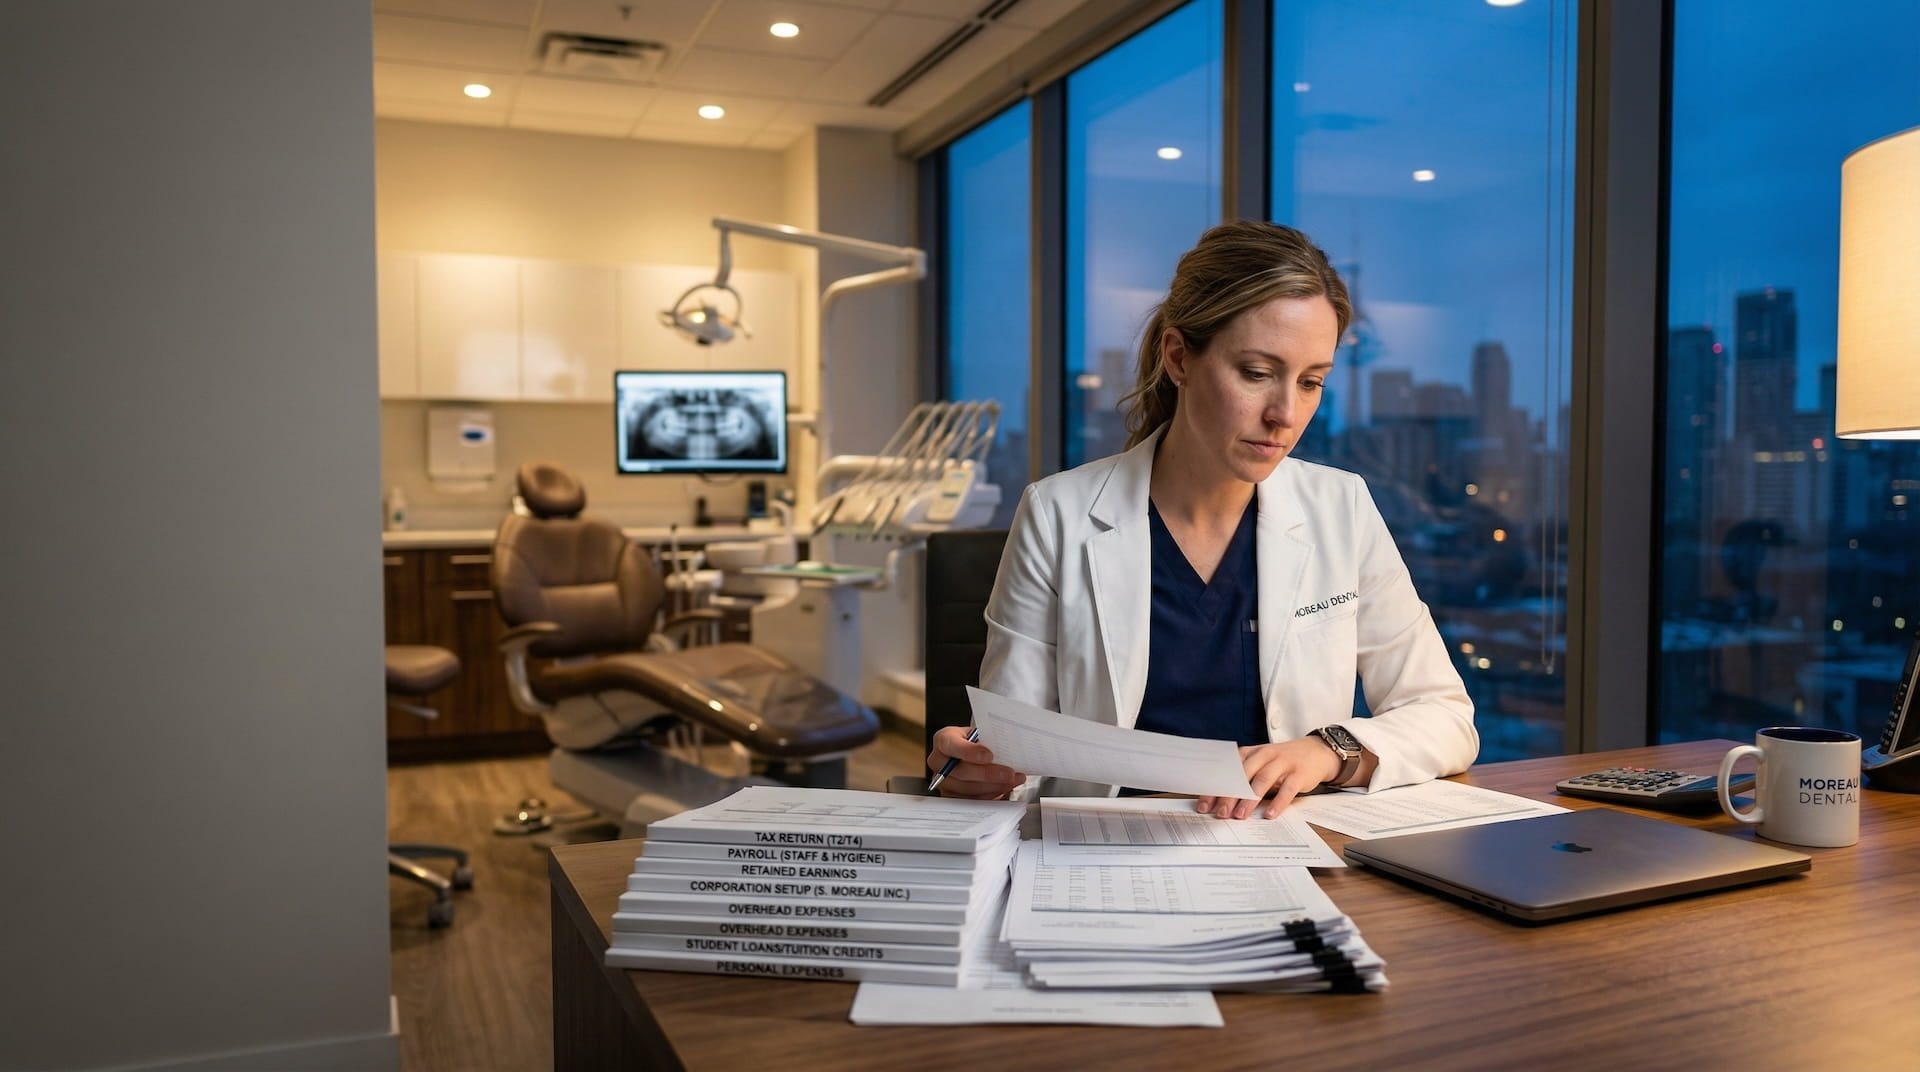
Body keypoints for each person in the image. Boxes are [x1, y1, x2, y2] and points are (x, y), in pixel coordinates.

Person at [927, 220, 1478, 818]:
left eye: (1311, 381)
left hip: (1287, 845)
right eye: (1257, 373)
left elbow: (1446, 717)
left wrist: (1328, 749)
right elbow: (1014, 747)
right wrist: (978, 769)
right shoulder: (1058, 514)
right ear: (1179, 357)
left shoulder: (1340, 507)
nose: (1285, 414)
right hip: (1102, 852)